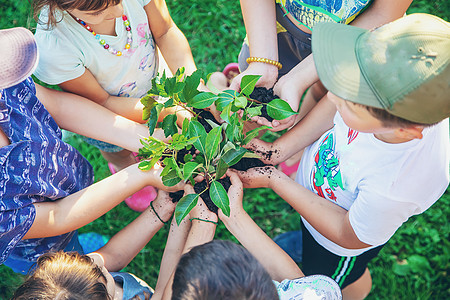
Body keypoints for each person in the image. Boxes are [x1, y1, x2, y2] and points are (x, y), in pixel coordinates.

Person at [237, 14, 450, 299]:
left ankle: (353, 289)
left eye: (348, 100)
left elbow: (346, 233)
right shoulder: (382, 100)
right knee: (307, 231)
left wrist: (275, 180)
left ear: (404, 130)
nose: (333, 95)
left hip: (337, 246)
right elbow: (332, 106)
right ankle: (304, 239)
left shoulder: (397, 186)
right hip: (321, 196)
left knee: (330, 278)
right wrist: (279, 151)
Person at [0, 27, 183, 275]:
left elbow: (59, 106)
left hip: (60, 181)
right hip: (38, 243)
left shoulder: (5, 84)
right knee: (68, 262)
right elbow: (58, 215)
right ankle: (75, 248)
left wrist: (143, 137)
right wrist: (144, 174)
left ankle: (78, 240)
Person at [32, 0, 198, 210]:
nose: (119, 11)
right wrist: (163, 110)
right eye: (97, 12)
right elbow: (102, 101)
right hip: (109, 116)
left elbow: (165, 30)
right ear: (59, 5)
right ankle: (123, 166)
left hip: (155, 83)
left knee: (163, 134)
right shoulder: (55, 47)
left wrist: (194, 86)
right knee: (116, 148)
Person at [153, 172, 342, 300]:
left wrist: (203, 227)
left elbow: (165, 295)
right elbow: (296, 283)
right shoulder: (316, 294)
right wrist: (234, 217)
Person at [231, 0, 413, 131]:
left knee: (326, 95)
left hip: (347, 42)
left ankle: (296, 144)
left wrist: (297, 79)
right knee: (255, 109)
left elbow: (383, 12)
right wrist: (263, 62)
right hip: (272, 31)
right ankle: (246, 142)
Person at [12, 190, 176, 300]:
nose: (100, 264)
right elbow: (165, 291)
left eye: (90, 263)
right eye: (103, 274)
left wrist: (162, 208)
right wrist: (181, 222)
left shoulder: (66, 285)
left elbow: (113, 255)